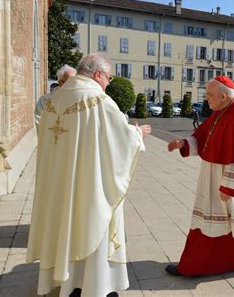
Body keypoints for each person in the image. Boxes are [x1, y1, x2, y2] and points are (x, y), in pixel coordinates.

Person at [27, 53, 151, 297]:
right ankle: (93, 287)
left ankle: (66, 282)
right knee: (92, 223)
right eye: (109, 78)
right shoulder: (99, 100)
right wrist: (137, 134)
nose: (108, 83)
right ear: (98, 74)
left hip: (58, 183)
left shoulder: (53, 98)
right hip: (88, 183)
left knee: (64, 225)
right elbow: (120, 138)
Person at [166, 76, 234, 277]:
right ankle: (208, 263)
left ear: (224, 96)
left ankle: (206, 264)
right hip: (216, 175)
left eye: (210, 95)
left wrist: (229, 187)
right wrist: (184, 143)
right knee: (221, 221)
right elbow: (202, 136)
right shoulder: (221, 111)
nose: (206, 98)